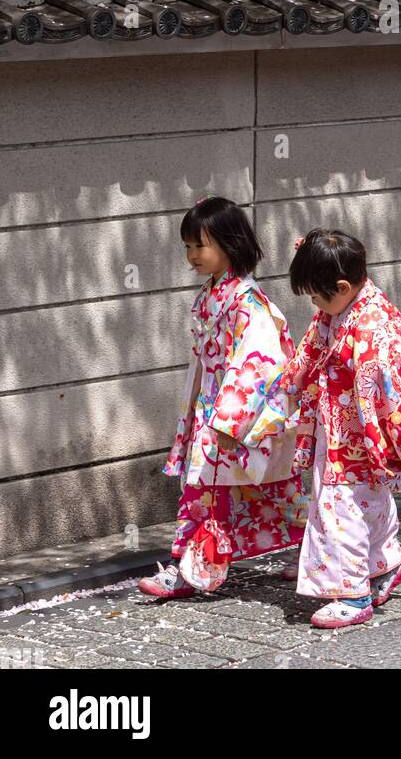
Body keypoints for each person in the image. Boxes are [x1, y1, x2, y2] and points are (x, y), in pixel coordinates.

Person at [138, 196, 306, 599]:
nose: (192, 254)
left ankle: (189, 571)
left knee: (209, 489)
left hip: (233, 412)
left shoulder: (248, 304)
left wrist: (230, 420)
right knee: (259, 488)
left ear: (230, 244)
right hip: (213, 406)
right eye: (188, 246)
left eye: (200, 245)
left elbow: (258, 363)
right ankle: (310, 553)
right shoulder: (215, 293)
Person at [281, 229, 401, 629]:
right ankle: (383, 566)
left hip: (362, 435)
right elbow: (312, 347)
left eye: (317, 295)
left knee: (340, 510)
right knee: (368, 504)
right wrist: (288, 384)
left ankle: (352, 592)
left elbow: (399, 391)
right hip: (344, 430)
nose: (314, 304)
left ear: (342, 286)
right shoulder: (339, 312)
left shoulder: (375, 330)